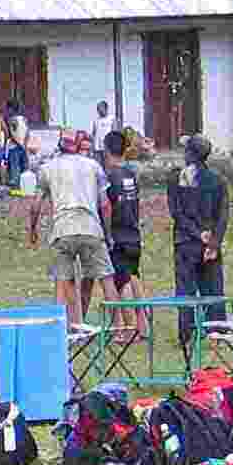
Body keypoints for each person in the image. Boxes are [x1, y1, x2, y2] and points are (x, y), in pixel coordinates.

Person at [32, 133, 113, 338]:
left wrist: (32, 230)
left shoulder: (46, 169)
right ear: (78, 147)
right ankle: (119, 327)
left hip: (62, 230)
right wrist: (108, 233)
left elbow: (35, 206)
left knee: (62, 280)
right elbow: (105, 204)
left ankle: (61, 330)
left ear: (59, 146)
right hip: (90, 228)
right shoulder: (93, 166)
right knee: (106, 278)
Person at [166, 135, 231, 341]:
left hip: (185, 241)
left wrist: (196, 234)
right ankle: (217, 330)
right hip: (211, 242)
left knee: (186, 289)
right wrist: (214, 241)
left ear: (189, 154)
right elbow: (223, 214)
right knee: (213, 288)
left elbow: (177, 213)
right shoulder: (218, 180)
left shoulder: (176, 178)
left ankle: (188, 332)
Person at [99, 128, 146, 334]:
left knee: (122, 282)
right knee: (134, 277)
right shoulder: (131, 175)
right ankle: (144, 327)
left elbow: (107, 208)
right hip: (134, 235)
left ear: (107, 151)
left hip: (118, 237)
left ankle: (129, 328)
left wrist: (107, 235)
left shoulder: (109, 177)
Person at [4, 102, 31, 183]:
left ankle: (15, 185)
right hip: (23, 146)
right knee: (24, 167)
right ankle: (24, 184)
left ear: (11, 109)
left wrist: (17, 143)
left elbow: (10, 135)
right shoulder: (24, 119)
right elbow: (27, 133)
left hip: (14, 147)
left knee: (14, 167)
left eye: (7, 109)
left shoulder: (11, 120)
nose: (7, 111)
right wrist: (25, 145)